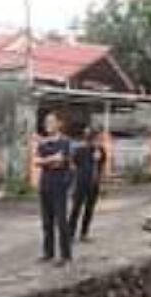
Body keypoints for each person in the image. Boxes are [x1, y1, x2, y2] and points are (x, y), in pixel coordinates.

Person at [34, 111, 73, 265]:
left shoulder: (65, 141)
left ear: (59, 123)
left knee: (61, 221)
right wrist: (51, 159)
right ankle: (48, 253)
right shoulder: (43, 142)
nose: (47, 124)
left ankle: (65, 255)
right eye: (46, 122)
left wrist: (47, 160)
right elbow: (36, 161)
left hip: (59, 184)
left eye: (51, 121)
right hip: (45, 184)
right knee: (46, 221)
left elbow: (61, 161)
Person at [68, 126, 108, 242]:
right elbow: (73, 165)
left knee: (89, 209)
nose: (95, 140)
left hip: (94, 184)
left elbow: (102, 166)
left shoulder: (100, 150)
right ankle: (70, 234)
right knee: (76, 209)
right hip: (81, 183)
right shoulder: (80, 150)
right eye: (91, 138)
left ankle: (84, 233)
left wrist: (102, 181)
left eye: (96, 138)